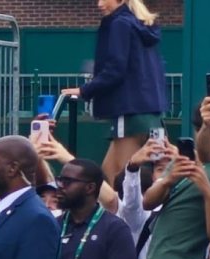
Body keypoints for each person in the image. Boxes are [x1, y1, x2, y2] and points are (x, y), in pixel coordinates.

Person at [61, 0, 167, 184]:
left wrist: (84, 90)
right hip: (151, 114)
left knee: (122, 179)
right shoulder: (140, 24)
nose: (99, 4)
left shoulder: (120, 24)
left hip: (129, 113)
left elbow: (114, 70)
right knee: (109, 175)